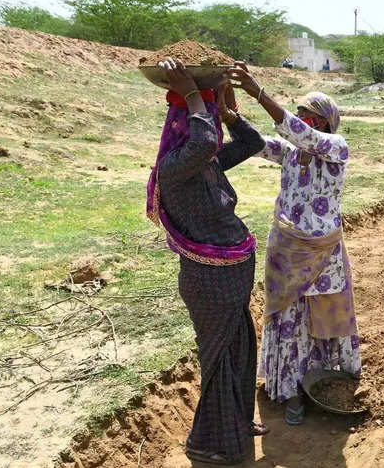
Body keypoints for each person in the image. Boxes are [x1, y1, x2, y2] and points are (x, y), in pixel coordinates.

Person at [146, 59, 267, 465]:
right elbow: (201, 142)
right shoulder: (175, 168)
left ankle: (235, 422)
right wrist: (197, 95)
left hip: (230, 278)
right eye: (203, 120)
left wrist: (230, 112)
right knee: (218, 360)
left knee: (238, 350)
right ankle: (211, 443)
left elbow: (251, 144)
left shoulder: (205, 161)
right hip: (209, 282)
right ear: (183, 125)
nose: (210, 127)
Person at [229, 67, 361, 426]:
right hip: (286, 250)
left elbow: (299, 133)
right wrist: (230, 111)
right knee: (289, 320)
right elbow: (255, 143)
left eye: (310, 117)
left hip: (324, 254)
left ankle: (327, 380)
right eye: (301, 114)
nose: (302, 120)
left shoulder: (336, 148)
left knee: (324, 314)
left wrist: (260, 94)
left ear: (324, 122)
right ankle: (290, 391)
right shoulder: (289, 152)